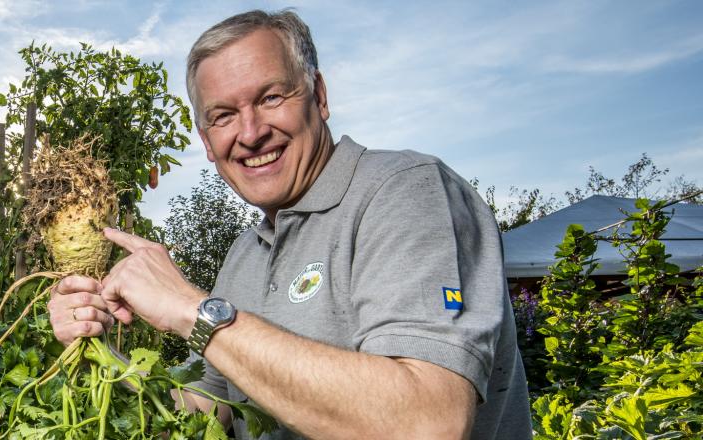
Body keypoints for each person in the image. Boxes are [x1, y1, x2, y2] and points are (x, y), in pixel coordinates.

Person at [47, 9, 532, 439]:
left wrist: (191, 308)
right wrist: (101, 351)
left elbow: (427, 423)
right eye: (223, 116)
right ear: (207, 140)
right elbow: (201, 411)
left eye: (271, 97)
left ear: (319, 96)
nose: (251, 133)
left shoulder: (406, 192)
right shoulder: (245, 252)